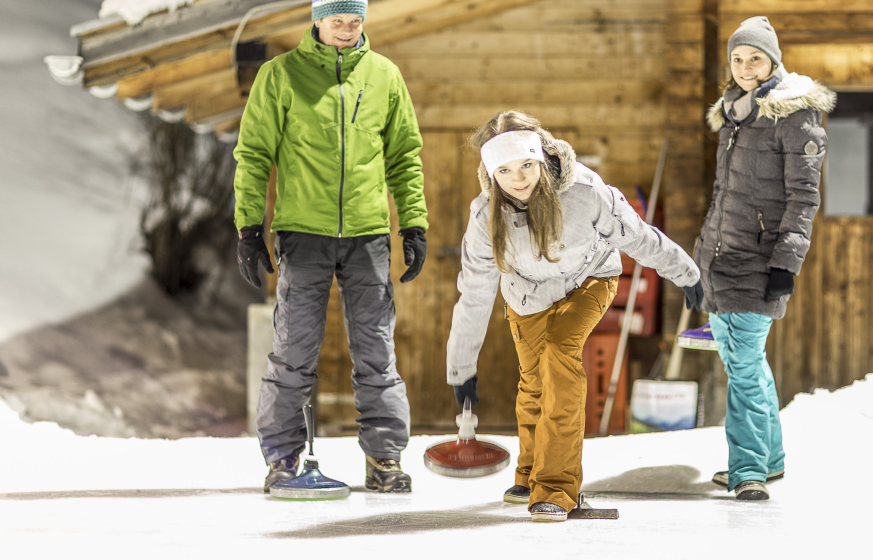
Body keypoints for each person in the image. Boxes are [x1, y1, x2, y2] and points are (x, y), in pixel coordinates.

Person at [446, 111, 703, 522]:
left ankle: (556, 489)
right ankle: (529, 473)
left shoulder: (584, 191)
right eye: (505, 170)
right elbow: (474, 293)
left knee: (559, 357)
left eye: (527, 165)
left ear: (541, 155)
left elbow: (635, 234)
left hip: (589, 279)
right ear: (491, 171)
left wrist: (684, 271)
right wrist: (461, 369)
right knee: (533, 381)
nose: (518, 179)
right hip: (526, 295)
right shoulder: (484, 217)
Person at [233, 0, 428, 494]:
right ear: (317, 20)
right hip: (304, 233)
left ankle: (384, 459)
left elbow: (404, 155)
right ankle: (283, 458)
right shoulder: (280, 76)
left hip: (368, 236)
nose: (347, 29)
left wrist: (413, 224)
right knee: (293, 350)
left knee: (376, 352)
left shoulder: (384, 75)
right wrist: (248, 228)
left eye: (355, 20)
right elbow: (254, 154)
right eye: (338, 20)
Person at [692, 16, 834, 500]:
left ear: (773, 60)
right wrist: (702, 255)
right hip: (720, 256)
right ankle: (768, 460)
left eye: (755, 57)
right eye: (738, 58)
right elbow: (723, 193)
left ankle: (748, 470)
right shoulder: (734, 114)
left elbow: (804, 197)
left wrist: (785, 263)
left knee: (745, 366)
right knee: (743, 362)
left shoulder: (794, 116)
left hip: (759, 260)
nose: (746, 66)